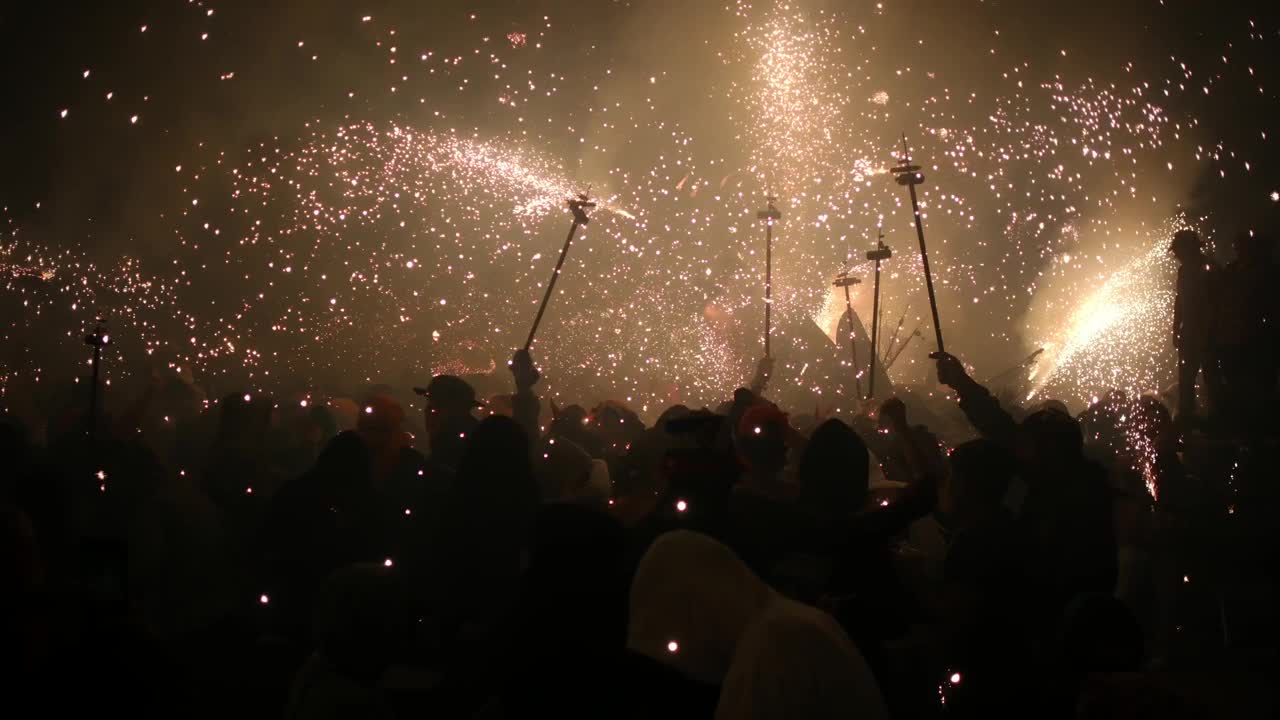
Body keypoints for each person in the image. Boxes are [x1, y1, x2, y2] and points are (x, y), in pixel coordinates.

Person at [1169, 229, 1220, 423]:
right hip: (1189, 331)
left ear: (1188, 249)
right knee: (1186, 377)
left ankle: (1216, 415)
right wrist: (1177, 328)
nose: (1176, 255)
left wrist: (1210, 331)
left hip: (1206, 331)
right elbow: (1180, 301)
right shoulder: (1184, 270)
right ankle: (1188, 415)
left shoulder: (1209, 269)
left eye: (1178, 250)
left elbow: (1215, 303)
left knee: (1210, 375)